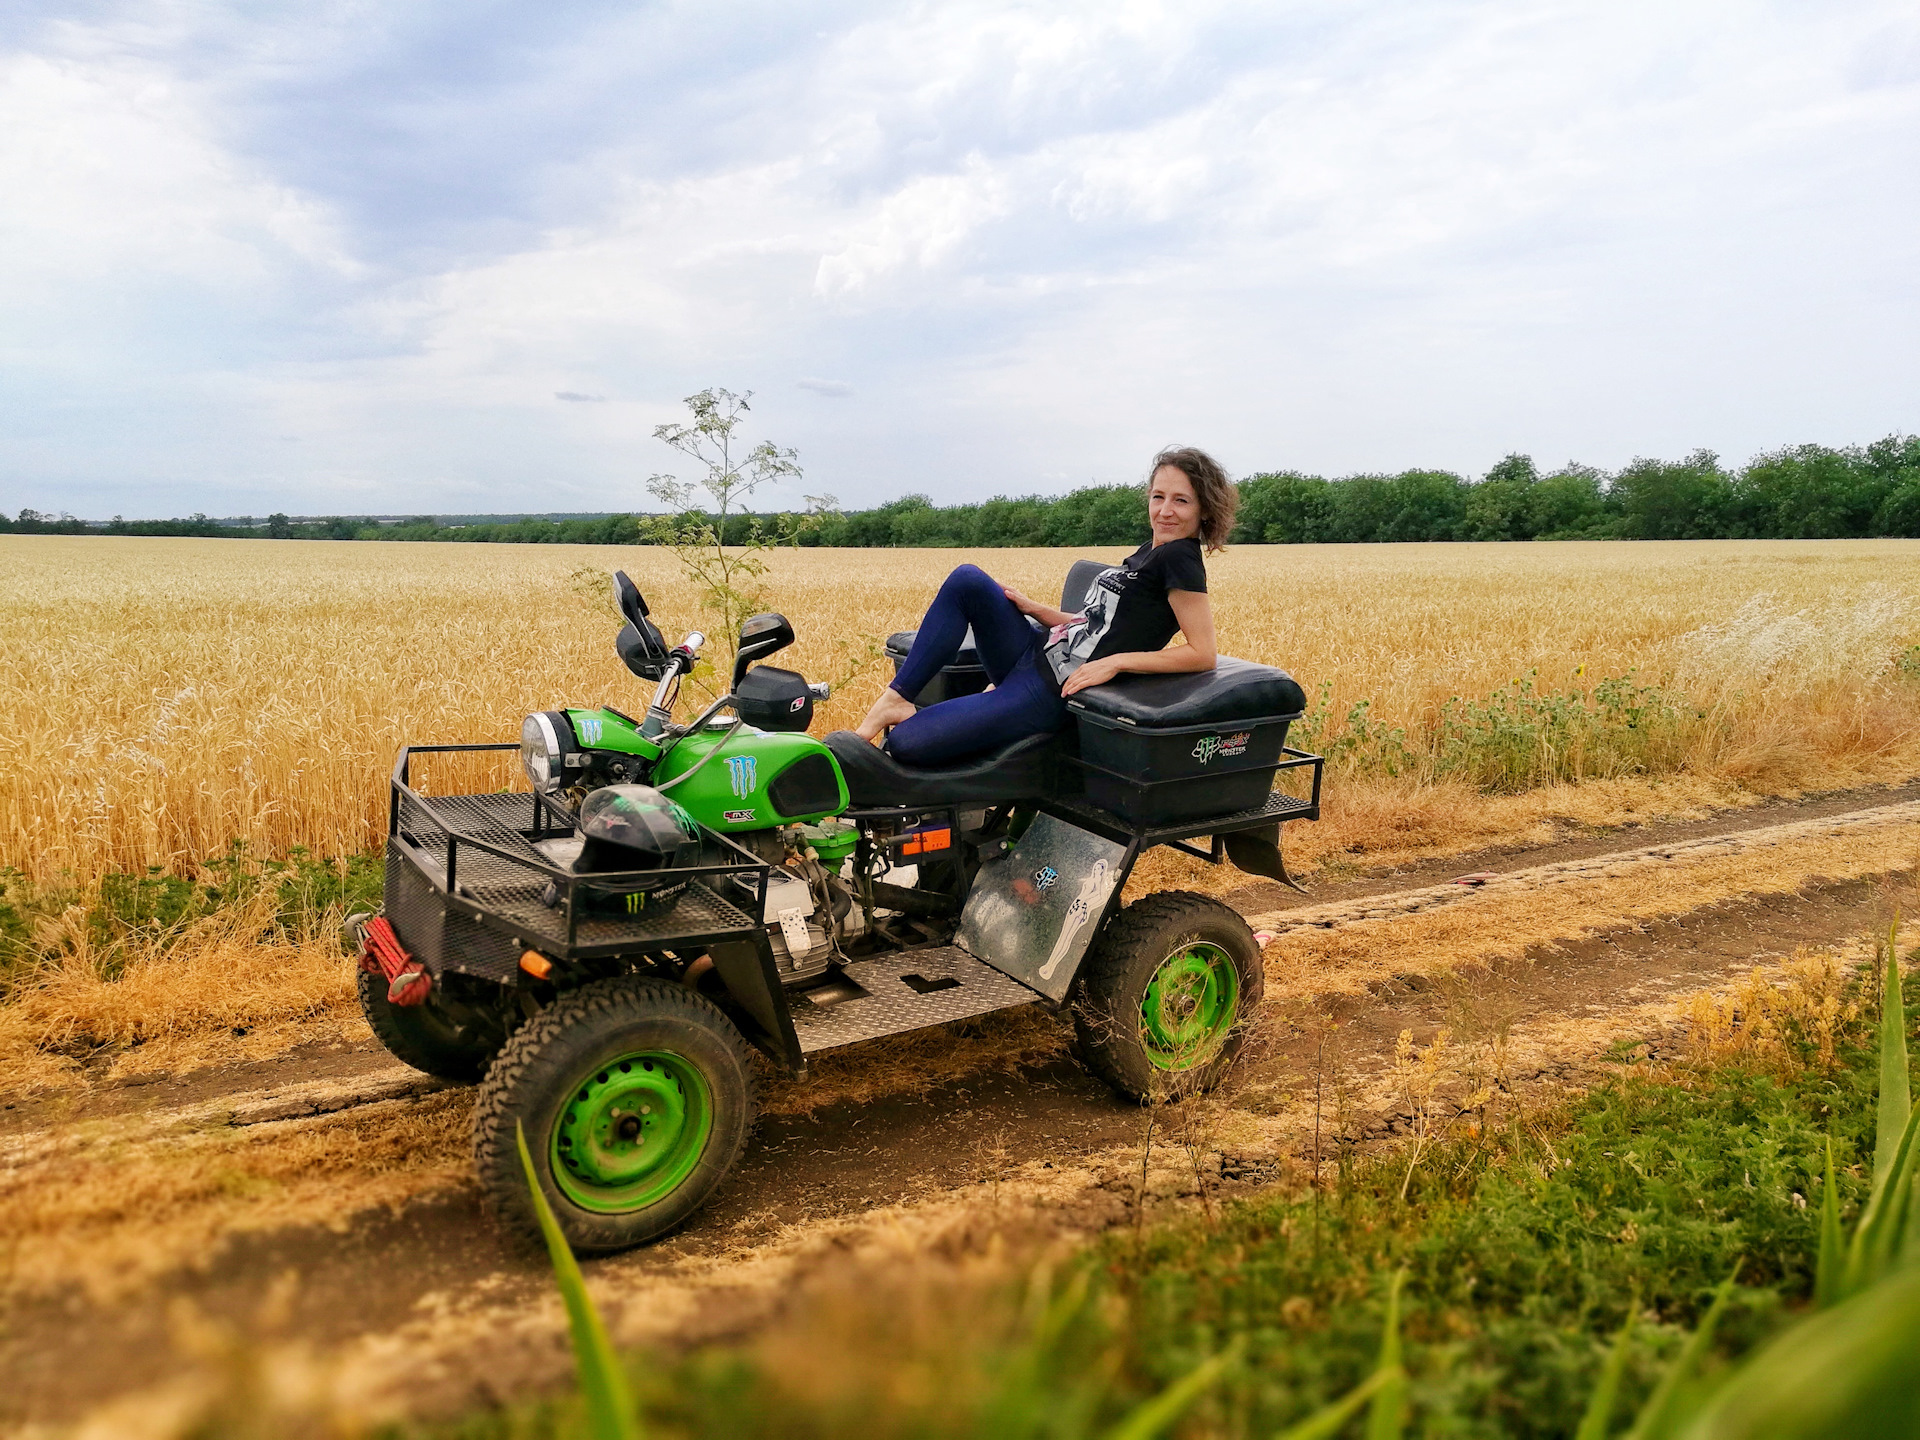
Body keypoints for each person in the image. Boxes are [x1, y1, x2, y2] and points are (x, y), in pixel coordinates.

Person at [854, 446, 1238, 767]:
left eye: (1181, 500)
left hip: (1048, 692)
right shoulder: (1152, 551)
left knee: (906, 742)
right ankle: (897, 698)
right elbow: (1095, 624)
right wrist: (1035, 609)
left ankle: (924, 716)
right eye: (1159, 497)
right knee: (968, 580)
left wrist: (1116, 662)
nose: (1165, 511)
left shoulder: (1181, 561)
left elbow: (1202, 654)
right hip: (1034, 652)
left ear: (1204, 509)